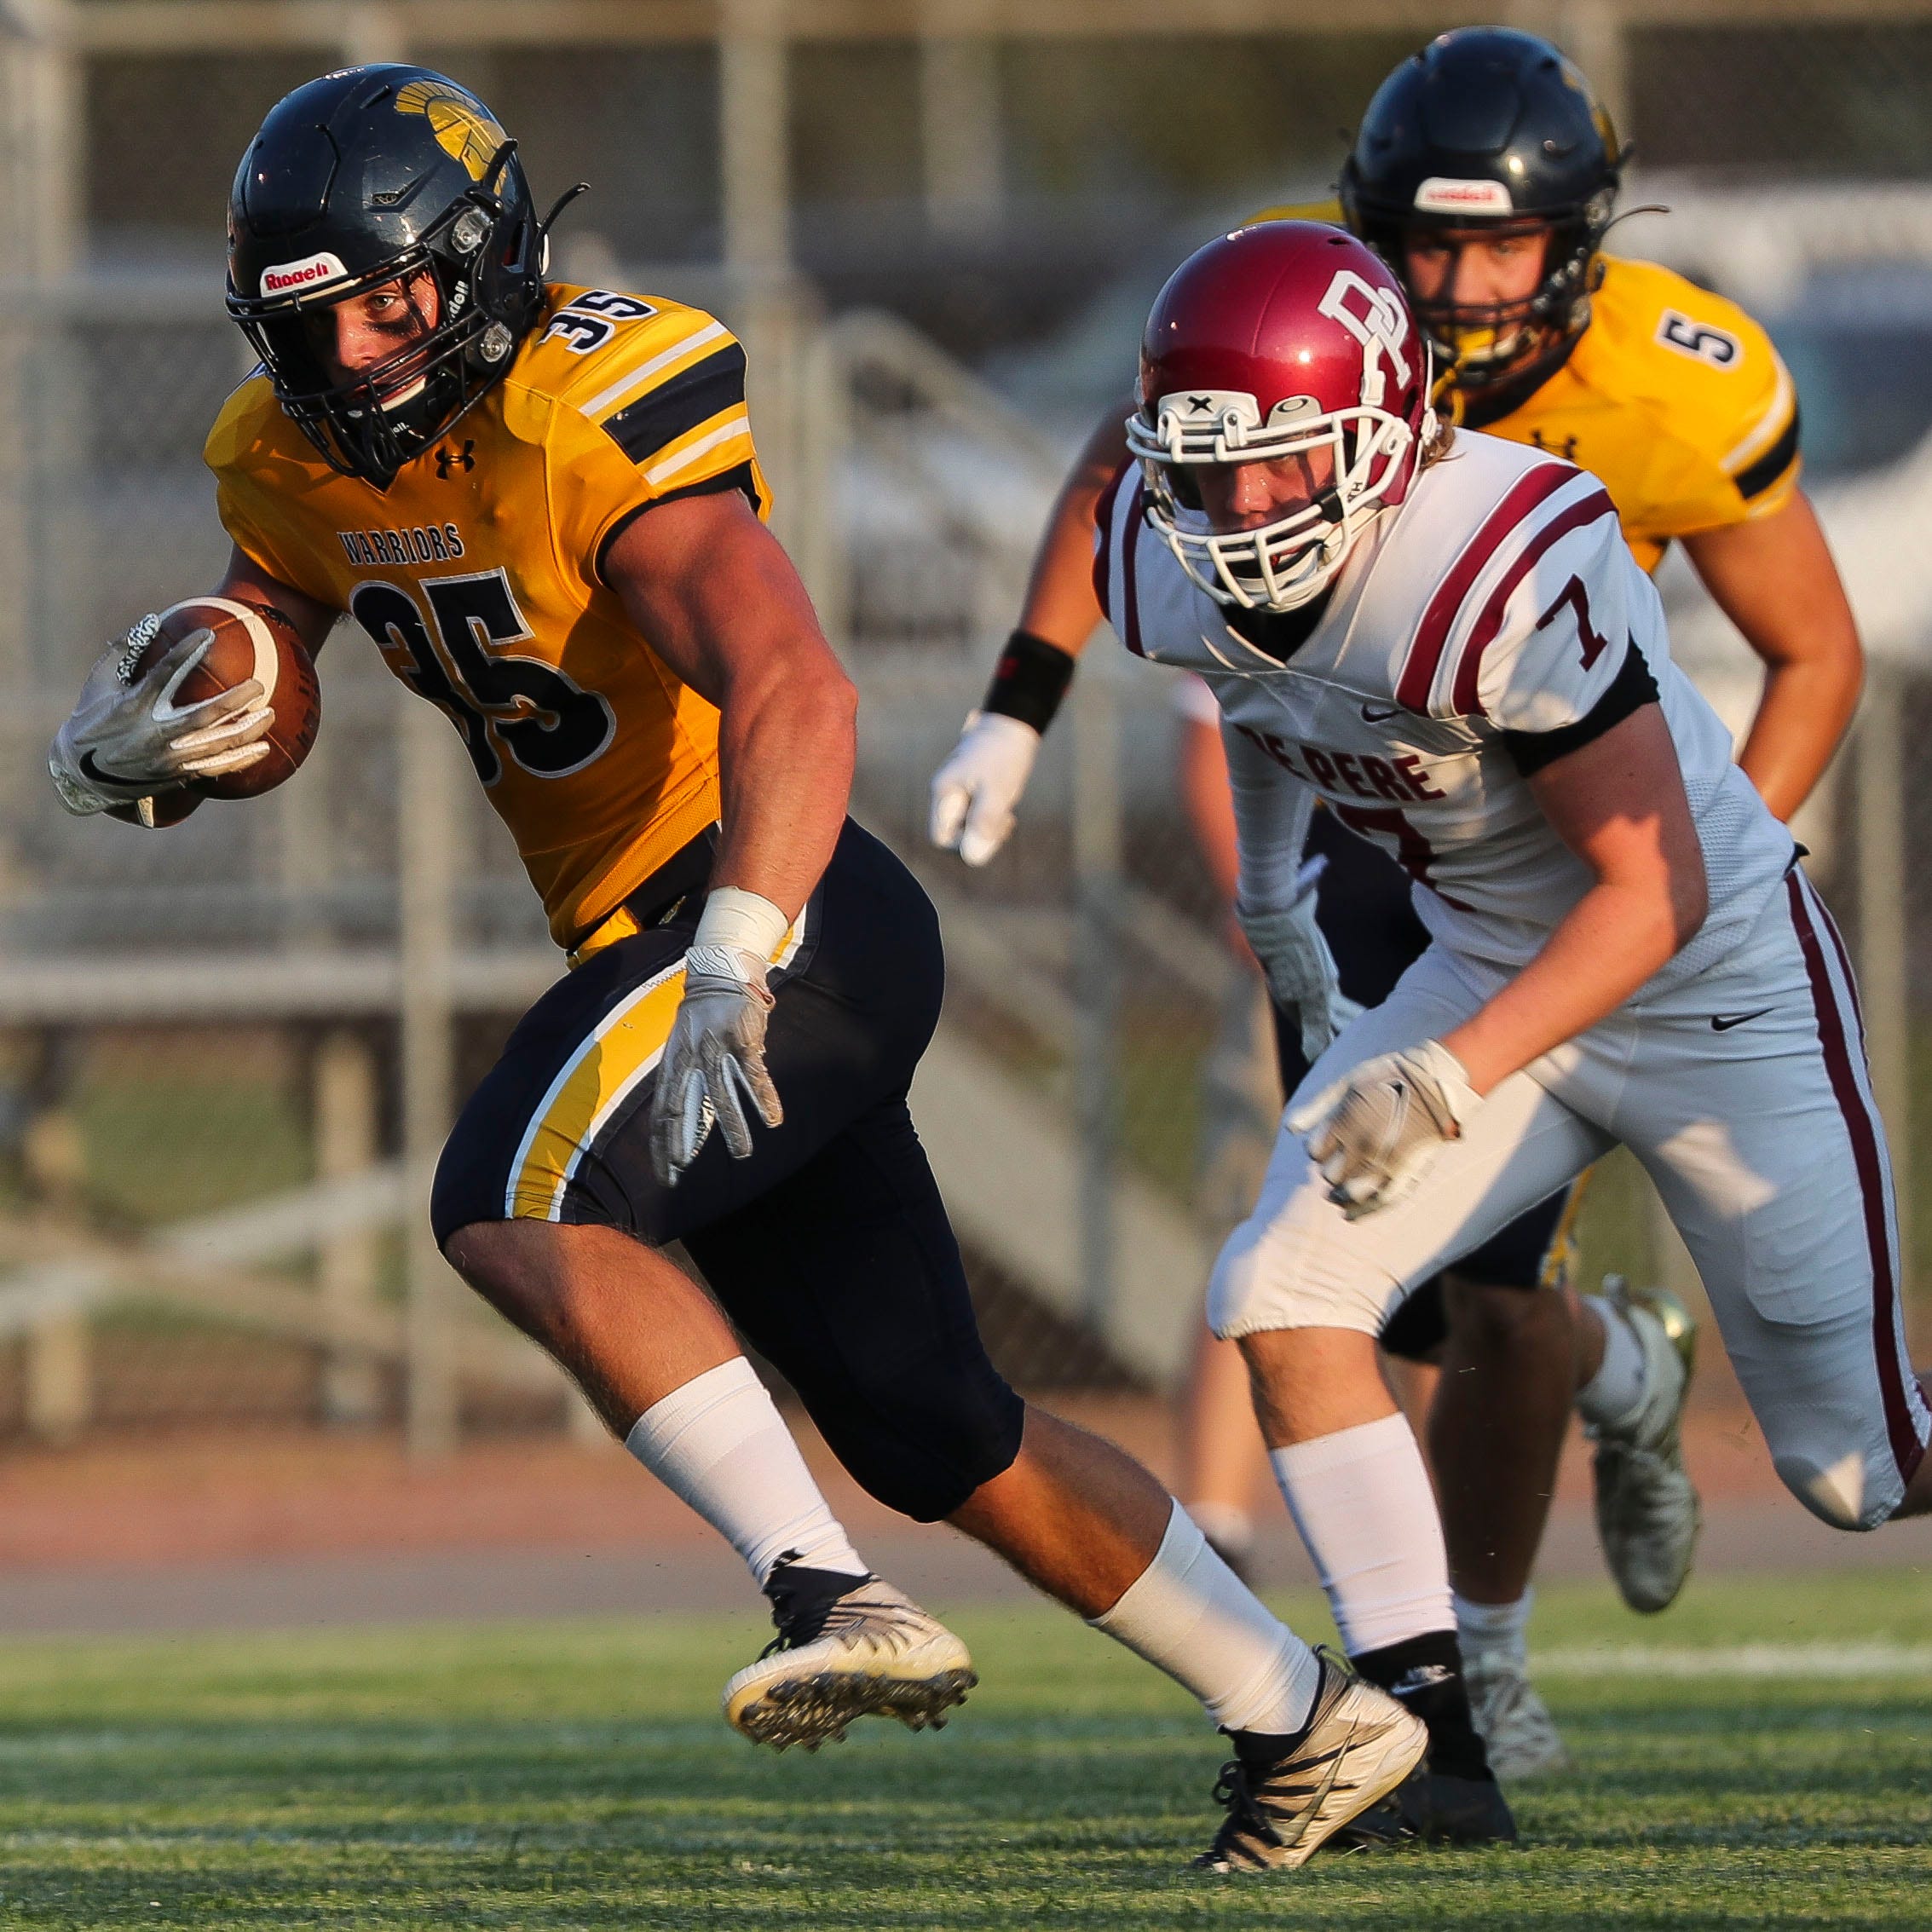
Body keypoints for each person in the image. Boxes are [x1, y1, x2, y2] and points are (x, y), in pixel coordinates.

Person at [44, 66, 1431, 1872]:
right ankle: (1309, 1719)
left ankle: (825, 1593)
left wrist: (736, 955)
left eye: (388, 305)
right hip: (662, 934)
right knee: (937, 1426)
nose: (357, 356)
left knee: (514, 1199)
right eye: (312, 324)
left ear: (479, 262)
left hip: (779, 911)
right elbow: (281, 649)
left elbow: (798, 688)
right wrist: (194, 713)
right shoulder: (285, 451)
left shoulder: (588, 407)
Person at [930, 24, 1862, 1783]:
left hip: (1615, 846)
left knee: (1804, 1445)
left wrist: (1713, 871)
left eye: (1500, 247)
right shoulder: (1280, 363)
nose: (1459, 287)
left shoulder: (1636, 418)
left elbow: (1805, 666)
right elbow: (1220, 608)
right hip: (1412, 844)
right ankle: (1459, 1682)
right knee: (1355, 1292)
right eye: (1425, 245)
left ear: (1576, 240)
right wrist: (1031, 714)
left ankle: (1504, 1612)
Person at [1090, 213, 1929, 1845]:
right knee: (1280, 1293)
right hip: (1486, 956)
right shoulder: (1160, 544)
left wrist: (1442, 1073)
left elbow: (1656, 888)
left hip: (1713, 974)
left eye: (1279, 462)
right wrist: (1273, 898)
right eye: (1211, 469)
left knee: (1857, 1471)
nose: (1240, 509)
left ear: (1385, 432)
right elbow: (1264, 696)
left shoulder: (1499, 555)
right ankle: (1431, 1749)